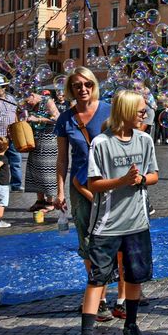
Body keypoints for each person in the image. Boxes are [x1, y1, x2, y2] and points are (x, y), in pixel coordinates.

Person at [71, 90, 159, 335]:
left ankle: (130, 325)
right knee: (97, 279)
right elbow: (93, 184)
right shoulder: (101, 143)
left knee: (134, 277)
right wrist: (122, 180)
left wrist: (142, 179)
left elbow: (154, 175)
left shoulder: (145, 140)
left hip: (137, 223)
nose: (145, 114)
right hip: (107, 225)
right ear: (125, 111)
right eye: (141, 109)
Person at [55, 67, 114, 321]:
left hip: (109, 182)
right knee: (88, 241)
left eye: (87, 84)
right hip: (80, 186)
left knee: (112, 239)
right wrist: (59, 190)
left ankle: (117, 293)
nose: (83, 89)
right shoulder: (65, 119)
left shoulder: (110, 110)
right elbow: (61, 159)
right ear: (70, 88)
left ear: (94, 85)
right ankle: (99, 298)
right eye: (77, 85)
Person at [24, 91, 60, 215]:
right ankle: (40, 201)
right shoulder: (31, 105)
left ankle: (50, 203)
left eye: (27, 99)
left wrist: (38, 119)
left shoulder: (47, 101)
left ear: (33, 95)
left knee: (47, 171)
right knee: (34, 170)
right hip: (35, 140)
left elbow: (57, 118)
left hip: (49, 141)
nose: (26, 103)